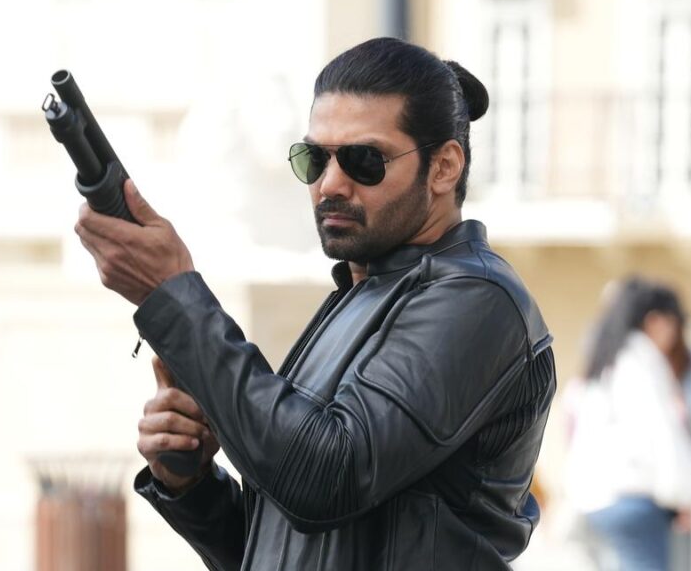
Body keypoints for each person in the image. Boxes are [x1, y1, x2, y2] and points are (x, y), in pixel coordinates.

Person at [75, 37, 556, 570]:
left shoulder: (477, 299)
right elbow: (287, 546)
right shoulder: (358, 295)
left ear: (443, 167)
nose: (330, 184)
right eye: (313, 158)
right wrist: (191, 485)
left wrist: (172, 295)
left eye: (364, 161)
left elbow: (326, 477)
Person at [564, 277, 691, 571]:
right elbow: (663, 433)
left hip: (597, 499)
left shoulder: (605, 360)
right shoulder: (642, 360)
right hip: (634, 497)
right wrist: (685, 496)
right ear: (654, 321)